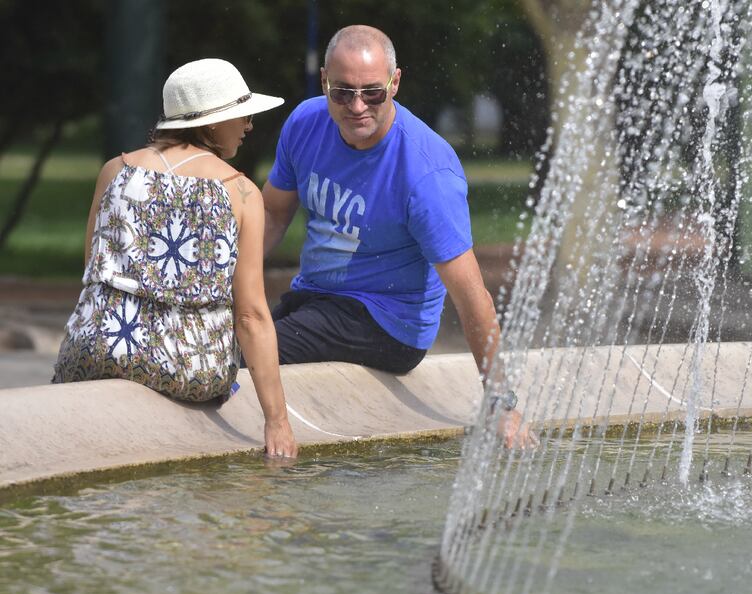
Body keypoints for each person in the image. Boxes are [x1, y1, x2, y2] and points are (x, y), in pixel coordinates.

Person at [262, 25, 531, 447]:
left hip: (388, 323)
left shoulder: (426, 175)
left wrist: (503, 403)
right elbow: (271, 215)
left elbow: (471, 295)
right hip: (316, 299)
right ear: (324, 83)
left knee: (243, 356)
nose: (357, 106)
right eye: (342, 92)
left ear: (395, 83)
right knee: (232, 335)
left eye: (372, 92)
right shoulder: (305, 123)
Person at [53, 58, 297, 458]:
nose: (249, 125)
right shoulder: (242, 194)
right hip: (186, 367)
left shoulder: (115, 170)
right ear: (213, 122)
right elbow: (250, 316)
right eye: (242, 115)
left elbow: (93, 273)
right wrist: (277, 421)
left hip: (94, 349)